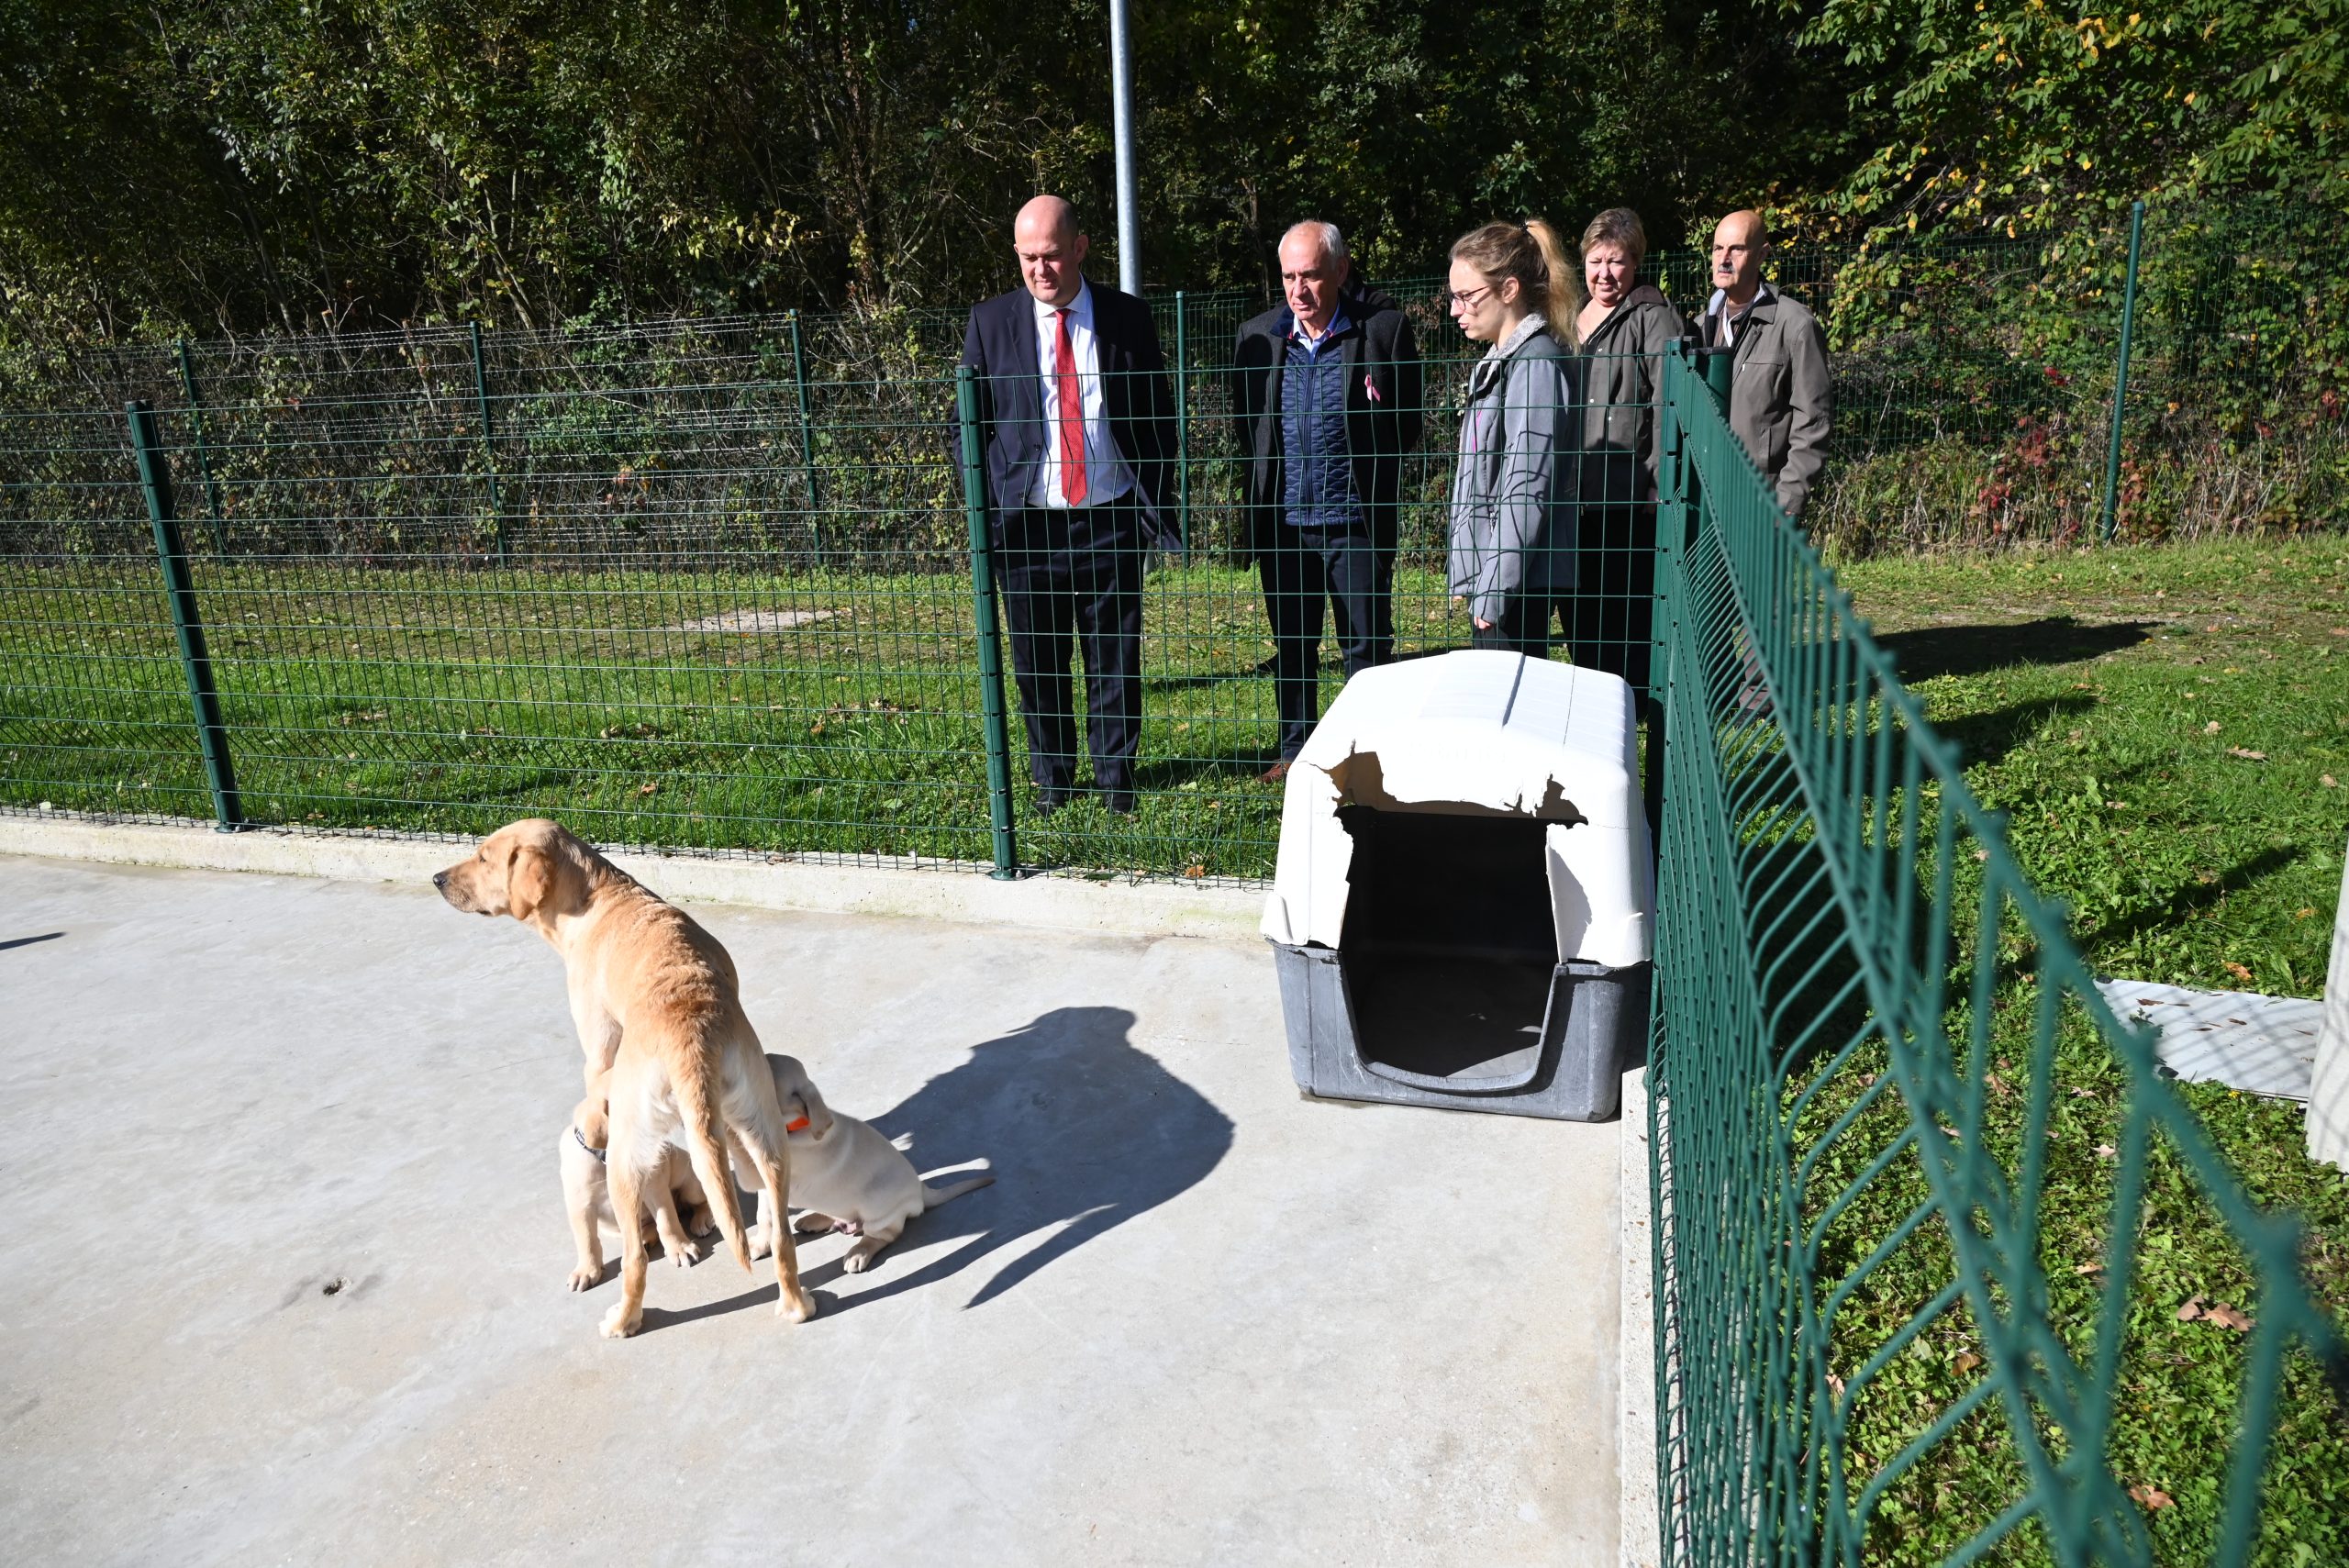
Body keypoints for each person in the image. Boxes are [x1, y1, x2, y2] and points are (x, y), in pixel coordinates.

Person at [959, 195, 1175, 815]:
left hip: (1108, 517)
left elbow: (1157, 412)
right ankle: (1053, 783)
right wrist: (992, 489)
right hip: (1028, 525)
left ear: (1079, 248)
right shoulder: (991, 321)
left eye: (1051, 255)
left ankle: (1116, 784)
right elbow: (965, 424)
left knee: (1114, 659)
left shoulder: (1127, 318)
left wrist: (1151, 496)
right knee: (1038, 661)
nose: (1039, 270)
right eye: (1028, 257)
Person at [1230, 220, 1424, 779]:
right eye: (1290, 276)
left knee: (1366, 645)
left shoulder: (1382, 332)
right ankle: (1295, 750)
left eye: (1311, 275)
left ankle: (1368, 754)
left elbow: (1404, 424)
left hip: (1355, 518)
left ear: (1338, 271)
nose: (1299, 289)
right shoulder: (1257, 338)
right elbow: (1252, 428)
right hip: (1285, 523)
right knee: (1293, 644)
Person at [1446, 219, 1582, 655]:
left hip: (1516, 589)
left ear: (1508, 290)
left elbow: (1527, 488)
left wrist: (1494, 591)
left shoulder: (1535, 363)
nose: (1455, 309)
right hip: (1500, 580)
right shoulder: (1502, 359)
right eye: (1455, 296)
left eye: (1466, 297)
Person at [1568, 207, 1686, 697]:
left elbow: (1666, 406)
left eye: (1616, 261)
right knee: (1580, 612)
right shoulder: (1572, 317)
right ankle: (1589, 700)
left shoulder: (1652, 317)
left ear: (1634, 262)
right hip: (1573, 497)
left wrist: (1655, 483)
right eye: (1596, 261)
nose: (1605, 273)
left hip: (1627, 499)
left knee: (1623, 612)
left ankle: (1628, 705)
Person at [1698, 210, 1831, 517]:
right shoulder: (1699, 329)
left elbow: (1813, 423)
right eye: (1718, 248)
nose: (1724, 258)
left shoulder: (1795, 326)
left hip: (1760, 508)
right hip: (1704, 505)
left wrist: (1784, 508)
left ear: (1762, 255)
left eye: (1737, 248)